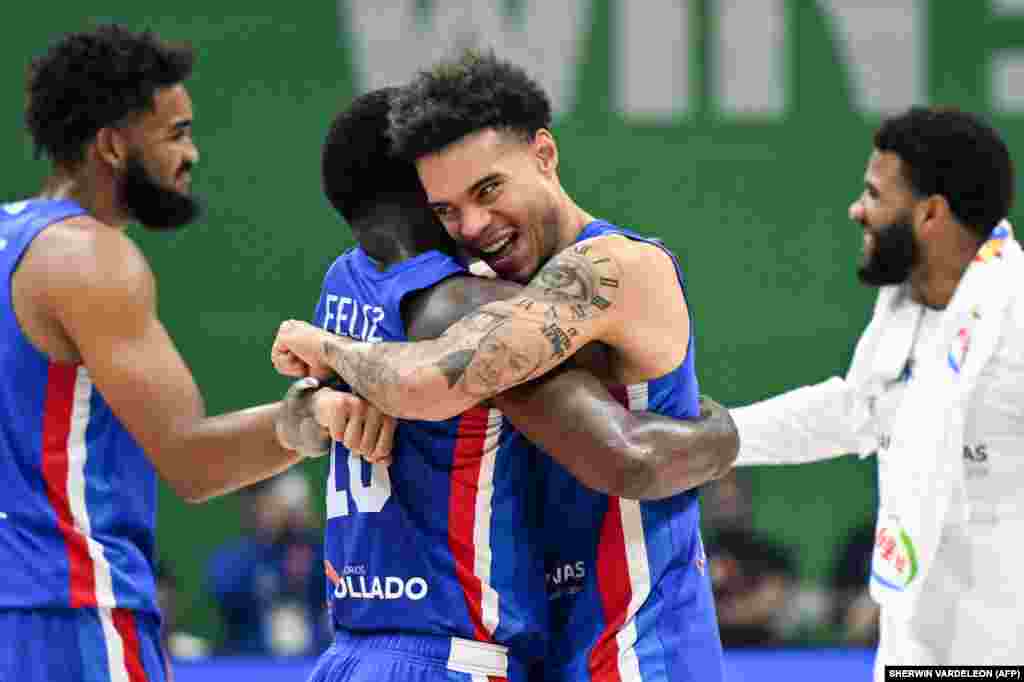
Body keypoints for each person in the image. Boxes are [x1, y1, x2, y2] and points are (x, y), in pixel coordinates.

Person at [273, 51, 729, 681]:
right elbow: (308, 419)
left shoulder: (613, 269)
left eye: (488, 190)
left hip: (637, 646)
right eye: (447, 211)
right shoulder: (471, 290)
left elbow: (631, 457)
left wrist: (328, 353)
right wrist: (317, 401)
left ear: (544, 155)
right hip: (538, 644)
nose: (476, 226)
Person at [0, 24, 379, 682]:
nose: (192, 153)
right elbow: (195, 463)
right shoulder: (90, 255)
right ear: (113, 146)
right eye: (175, 133)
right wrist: (319, 414)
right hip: (69, 614)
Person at [728, 107, 1023, 672]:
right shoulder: (902, 305)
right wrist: (720, 433)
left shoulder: (1016, 315)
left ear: (930, 213)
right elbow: (856, 411)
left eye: (874, 195)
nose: (856, 210)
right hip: (910, 653)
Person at [206, 471, 328, 657]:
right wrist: (268, 536)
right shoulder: (239, 555)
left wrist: (305, 532)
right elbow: (224, 589)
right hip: (250, 658)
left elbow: (334, 587)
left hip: (309, 657)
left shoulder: (313, 553)